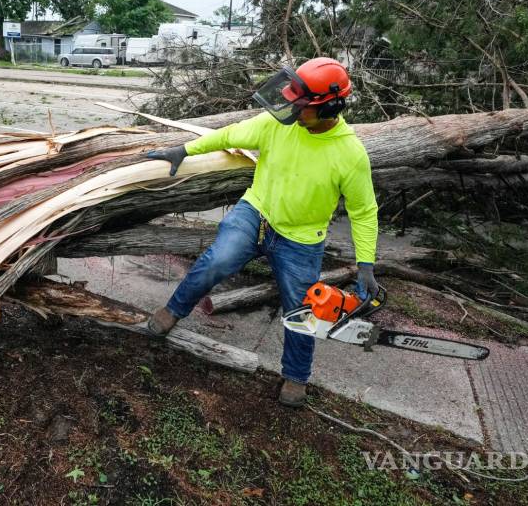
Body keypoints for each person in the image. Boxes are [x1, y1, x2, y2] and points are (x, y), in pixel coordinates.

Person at [145, 57, 379, 407]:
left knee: (301, 310)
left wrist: (366, 264)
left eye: (302, 106)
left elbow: (364, 211)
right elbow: (231, 133)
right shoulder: (278, 124)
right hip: (257, 212)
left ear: (329, 107)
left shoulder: (350, 153)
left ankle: (296, 377)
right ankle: (174, 310)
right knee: (217, 261)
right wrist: (184, 149)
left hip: (301, 237)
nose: (293, 109)